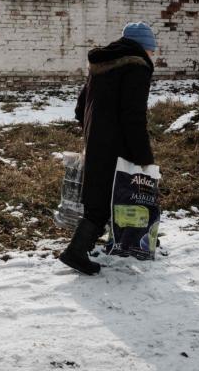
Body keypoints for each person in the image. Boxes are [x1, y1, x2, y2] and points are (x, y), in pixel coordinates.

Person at [59, 22, 157, 275]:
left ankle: (104, 244)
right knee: (124, 195)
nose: (153, 54)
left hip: (97, 142)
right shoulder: (137, 67)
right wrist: (144, 156)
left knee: (100, 197)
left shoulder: (101, 64)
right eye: (152, 49)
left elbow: (81, 108)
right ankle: (76, 252)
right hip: (120, 145)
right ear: (145, 48)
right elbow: (133, 116)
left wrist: (95, 133)